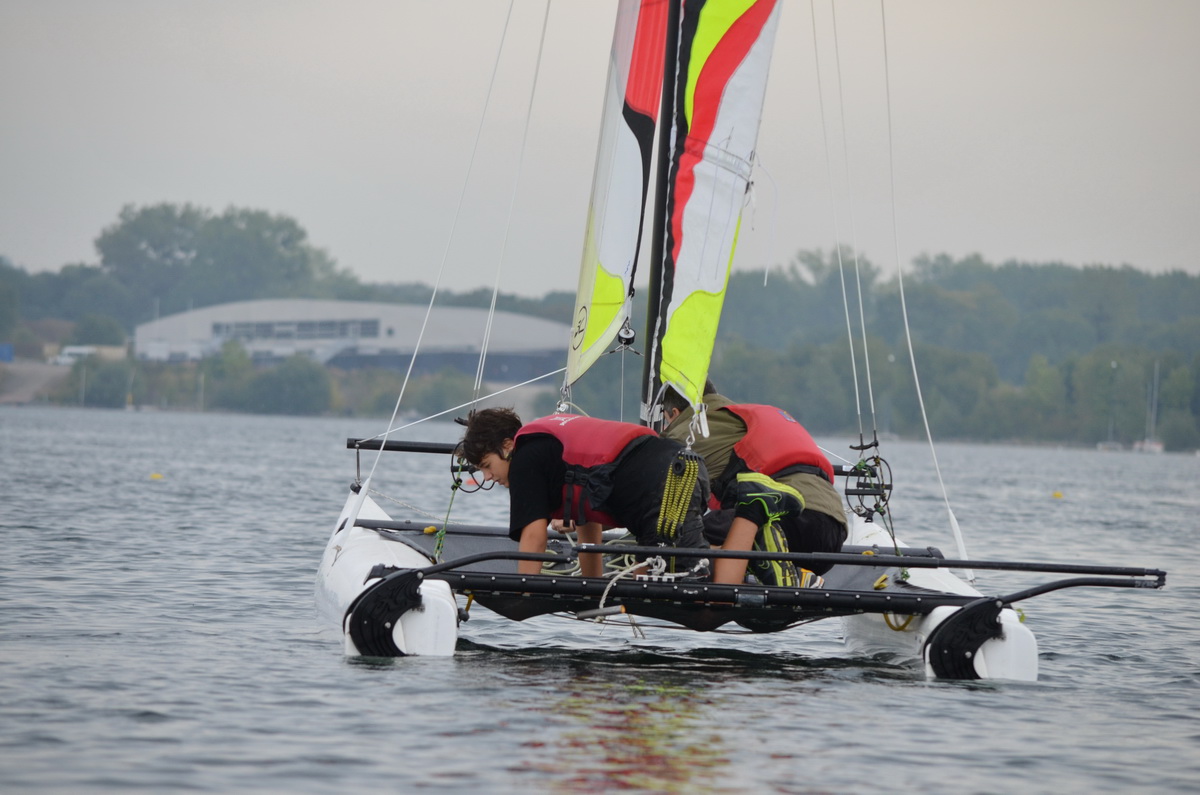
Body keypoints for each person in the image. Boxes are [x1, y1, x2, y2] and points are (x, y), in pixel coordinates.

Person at [459, 408, 710, 577]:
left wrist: (522, 593)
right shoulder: (547, 452)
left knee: (688, 594)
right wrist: (592, 588)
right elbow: (587, 517)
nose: (487, 477)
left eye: (486, 465)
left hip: (665, 486)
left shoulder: (524, 460)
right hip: (684, 468)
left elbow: (534, 538)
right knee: (644, 581)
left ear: (507, 446)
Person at [661, 382, 848, 587]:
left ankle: (773, 560)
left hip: (786, 522)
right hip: (832, 534)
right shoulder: (735, 417)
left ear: (674, 413)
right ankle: (791, 574)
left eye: (665, 419)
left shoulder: (692, 429)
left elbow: (651, 480)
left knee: (678, 538)